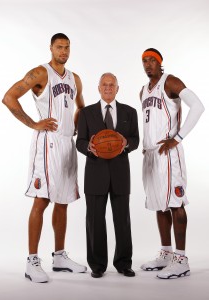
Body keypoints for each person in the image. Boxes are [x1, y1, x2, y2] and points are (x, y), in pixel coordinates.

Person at [2, 33, 87, 283]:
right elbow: (8, 97)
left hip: (66, 144)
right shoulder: (40, 73)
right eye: (59, 47)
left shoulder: (75, 79)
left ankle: (59, 257)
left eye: (67, 47)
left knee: (63, 202)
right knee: (42, 201)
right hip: (47, 144)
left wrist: (76, 129)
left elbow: (81, 107)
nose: (64, 51)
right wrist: (33, 123)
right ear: (51, 48)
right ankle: (31, 261)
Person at [140, 48, 205, 279]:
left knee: (176, 202)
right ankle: (166, 253)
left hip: (169, 155)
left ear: (160, 63)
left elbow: (198, 106)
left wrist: (177, 138)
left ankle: (181, 258)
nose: (148, 64)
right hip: (151, 155)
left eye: (152, 60)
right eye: (144, 61)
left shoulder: (171, 82)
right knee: (159, 203)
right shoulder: (143, 91)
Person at [76, 73, 139, 278]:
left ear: (118, 89)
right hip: (95, 173)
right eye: (105, 84)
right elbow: (79, 141)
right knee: (94, 221)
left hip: (120, 173)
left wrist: (125, 143)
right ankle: (97, 265)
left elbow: (136, 139)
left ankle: (123, 263)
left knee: (122, 220)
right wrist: (89, 147)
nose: (108, 88)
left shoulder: (130, 112)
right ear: (99, 88)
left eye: (112, 85)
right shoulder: (86, 113)